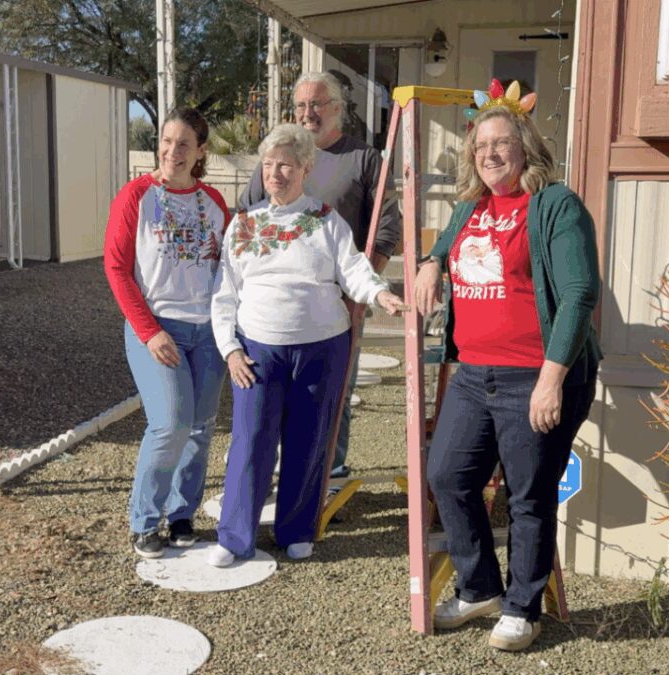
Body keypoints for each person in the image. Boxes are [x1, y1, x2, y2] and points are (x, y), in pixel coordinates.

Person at [413, 81, 601, 652]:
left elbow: (578, 294)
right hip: (472, 374)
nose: (489, 153)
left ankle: (524, 607)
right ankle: (480, 588)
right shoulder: (470, 207)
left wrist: (551, 380)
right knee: (447, 476)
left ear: (525, 147)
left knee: (527, 495)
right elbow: (442, 245)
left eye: (500, 142)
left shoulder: (554, 205)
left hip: (532, 375)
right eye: (479, 146)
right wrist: (429, 263)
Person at [206, 123, 406, 567]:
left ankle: (296, 529)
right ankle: (235, 535)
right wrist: (230, 350)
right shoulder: (244, 225)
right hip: (258, 349)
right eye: (271, 164)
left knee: (309, 439)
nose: (277, 173)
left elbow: (352, 269)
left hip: (322, 347)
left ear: (305, 169)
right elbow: (224, 293)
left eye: (287, 165)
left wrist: (378, 293)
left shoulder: (325, 219)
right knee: (251, 440)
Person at [238, 71, 402, 482]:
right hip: (278, 307)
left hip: (338, 303)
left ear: (336, 109)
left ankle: (332, 471)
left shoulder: (364, 159)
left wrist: (359, 293)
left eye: (316, 104)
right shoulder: (276, 159)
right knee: (273, 391)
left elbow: (386, 231)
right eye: (300, 106)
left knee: (336, 389)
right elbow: (245, 221)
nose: (307, 113)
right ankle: (282, 472)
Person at [103, 108, 230, 560]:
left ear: (200, 151)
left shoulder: (214, 203)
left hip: (209, 332)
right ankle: (143, 520)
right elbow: (117, 269)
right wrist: (148, 330)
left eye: (183, 144)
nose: (172, 151)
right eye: (166, 141)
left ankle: (181, 514)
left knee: (201, 427)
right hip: (157, 329)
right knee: (171, 423)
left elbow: (231, 268)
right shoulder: (137, 196)